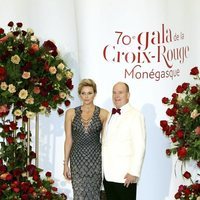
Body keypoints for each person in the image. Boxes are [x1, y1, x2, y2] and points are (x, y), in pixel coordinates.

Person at [63, 78, 109, 200]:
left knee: (94, 194)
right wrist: (65, 164)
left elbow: (105, 141)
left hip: (95, 159)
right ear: (79, 95)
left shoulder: (104, 114)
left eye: (89, 93)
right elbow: (68, 140)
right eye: (83, 93)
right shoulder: (71, 113)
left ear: (95, 94)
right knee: (79, 193)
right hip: (77, 159)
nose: (86, 96)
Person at [102, 82, 146, 200]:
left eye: (120, 92)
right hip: (108, 175)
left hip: (125, 176)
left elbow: (140, 145)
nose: (117, 95)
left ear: (128, 95)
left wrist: (134, 172)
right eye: (114, 92)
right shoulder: (110, 114)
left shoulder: (136, 115)